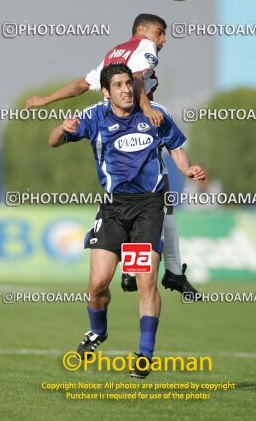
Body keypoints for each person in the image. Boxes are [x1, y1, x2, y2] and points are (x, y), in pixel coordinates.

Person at [49, 63, 206, 378]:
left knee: (145, 279)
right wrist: (61, 128)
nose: (126, 89)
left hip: (148, 207)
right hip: (112, 210)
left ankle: (144, 355)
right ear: (106, 92)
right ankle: (98, 332)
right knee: (97, 285)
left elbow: (176, 148)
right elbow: (53, 141)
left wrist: (187, 169)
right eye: (118, 85)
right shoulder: (94, 117)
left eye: (128, 84)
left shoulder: (154, 115)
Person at [26, 13, 197, 295]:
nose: (163, 39)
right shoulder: (145, 46)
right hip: (134, 123)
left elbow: (82, 84)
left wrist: (46, 100)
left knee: (158, 206)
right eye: (160, 32)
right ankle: (166, 272)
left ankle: (154, 271)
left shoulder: (114, 55)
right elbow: (139, 79)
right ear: (141, 30)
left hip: (114, 127)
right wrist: (148, 108)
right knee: (154, 202)